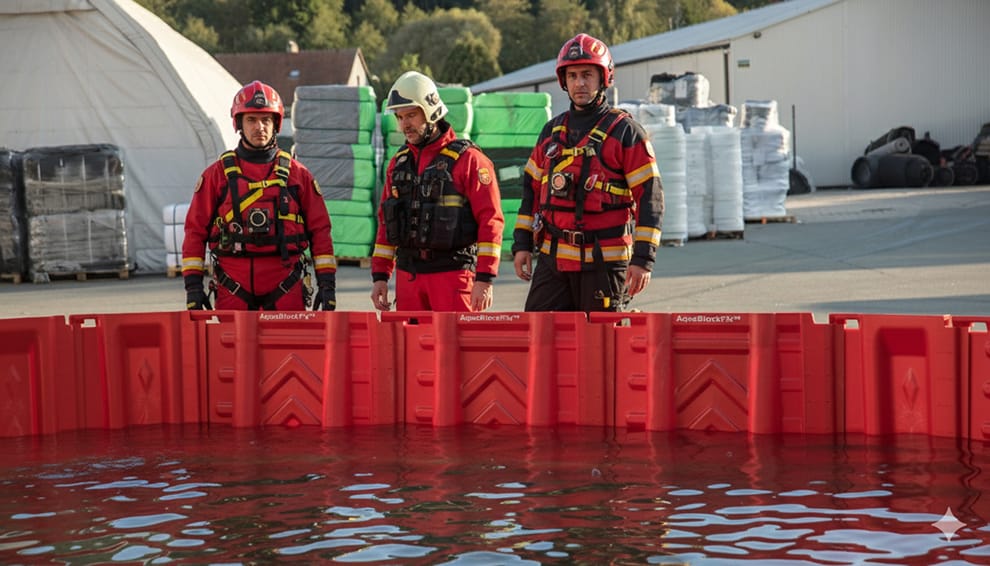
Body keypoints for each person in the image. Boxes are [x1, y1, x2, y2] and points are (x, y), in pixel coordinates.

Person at [512, 33, 664, 312]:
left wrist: (643, 260)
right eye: (572, 76)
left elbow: (650, 199)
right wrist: (521, 244)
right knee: (540, 339)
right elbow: (530, 192)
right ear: (563, 81)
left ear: (603, 77)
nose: (579, 83)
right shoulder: (551, 133)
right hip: (553, 261)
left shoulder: (625, 133)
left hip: (604, 264)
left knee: (601, 347)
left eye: (587, 75)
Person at [182, 80, 337, 311]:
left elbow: (320, 230)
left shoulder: (298, 176)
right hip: (233, 285)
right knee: (232, 346)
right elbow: (195, 230)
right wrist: (193, 286)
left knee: (287, 347)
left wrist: (327, 284)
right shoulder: (217, 176)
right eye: (251, 120)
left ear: (276, 124)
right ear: (239, 124)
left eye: (266, 120)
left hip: (286, 283)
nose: (259, 127)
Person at [371, 71, 504, 312]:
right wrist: (380, 275)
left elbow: (490, 220)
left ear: (431, 111)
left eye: (411, 115)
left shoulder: (470, 160)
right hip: (408, 277)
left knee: (456, 349)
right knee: (411, 348)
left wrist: (485, 279)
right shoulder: (398, 163)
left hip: (453, 277)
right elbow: (386, 221)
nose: (404, 125)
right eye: (400, 117)